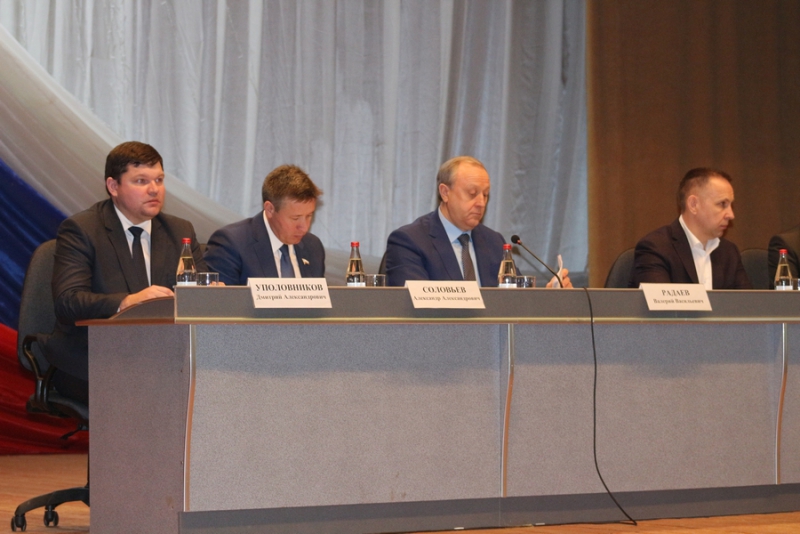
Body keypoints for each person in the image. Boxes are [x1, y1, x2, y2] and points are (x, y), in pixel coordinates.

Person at [47, 141, 207, 404]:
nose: (154, 189)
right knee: (158, 395)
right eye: (141, 181)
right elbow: (68, 301)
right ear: (113, 186)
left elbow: (198, 293)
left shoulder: (180, 231)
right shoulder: (82, 229)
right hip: (95, 356)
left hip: (164, 356)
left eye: (159, 180)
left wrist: (211, 295)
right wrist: (127, 302)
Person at [385, 156, 572, 288]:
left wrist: (547, 297)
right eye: (472, 194)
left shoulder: (494, 242)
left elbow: (516, 302)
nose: (481, 203)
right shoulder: (409, 241)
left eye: (485, 195)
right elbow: (413, 307)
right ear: (445, 193)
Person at [629, 167, 751, 289]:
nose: (731, 215)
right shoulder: (656, 248)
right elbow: (660, 301)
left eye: (730, 205)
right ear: (693, 205)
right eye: (722, 204)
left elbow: (746, 300)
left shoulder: (729, 252)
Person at [205, 164, 325, 285]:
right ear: (270, 209)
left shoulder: (313, 246)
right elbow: (222, 297)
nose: (304, 227)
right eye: (295, 218)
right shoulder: (231, 244)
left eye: (309, 216)